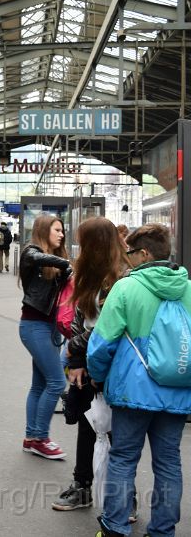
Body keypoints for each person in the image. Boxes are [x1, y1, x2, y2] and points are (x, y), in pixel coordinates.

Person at [88, 223, 191, 537]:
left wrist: (98, 377)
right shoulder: (187, 287)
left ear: (144, 254)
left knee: (123, 458)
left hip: (133, 392)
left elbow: (102, 344)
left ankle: (116, 527)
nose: (127, 258)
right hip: (177, 391)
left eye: (130, 252)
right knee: (169, 461)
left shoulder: (126, 287)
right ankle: (162, 531)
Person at [51, 217, 128, 511]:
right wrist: (79, 361)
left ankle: (125, 496)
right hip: (89, 361)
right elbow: (81, 319)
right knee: (88, 423)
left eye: (84, 242)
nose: (79, 247)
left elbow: (108, 327)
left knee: (118, 433)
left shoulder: (123, 278)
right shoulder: (87, 274)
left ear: (96, 244)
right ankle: (82, 486)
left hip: (115, 364)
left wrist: (74, 349)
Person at [18, 214, 71, 460]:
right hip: (34, 326)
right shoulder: (31, 252)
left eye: (62, 230)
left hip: (48, 327)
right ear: (44, 230)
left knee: (40, 385)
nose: (62, 234)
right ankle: (41, 438)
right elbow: (37, 257)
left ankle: (31, 438)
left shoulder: (55, 261)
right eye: (57, 230)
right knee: (57, 383)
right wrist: (63, 264)